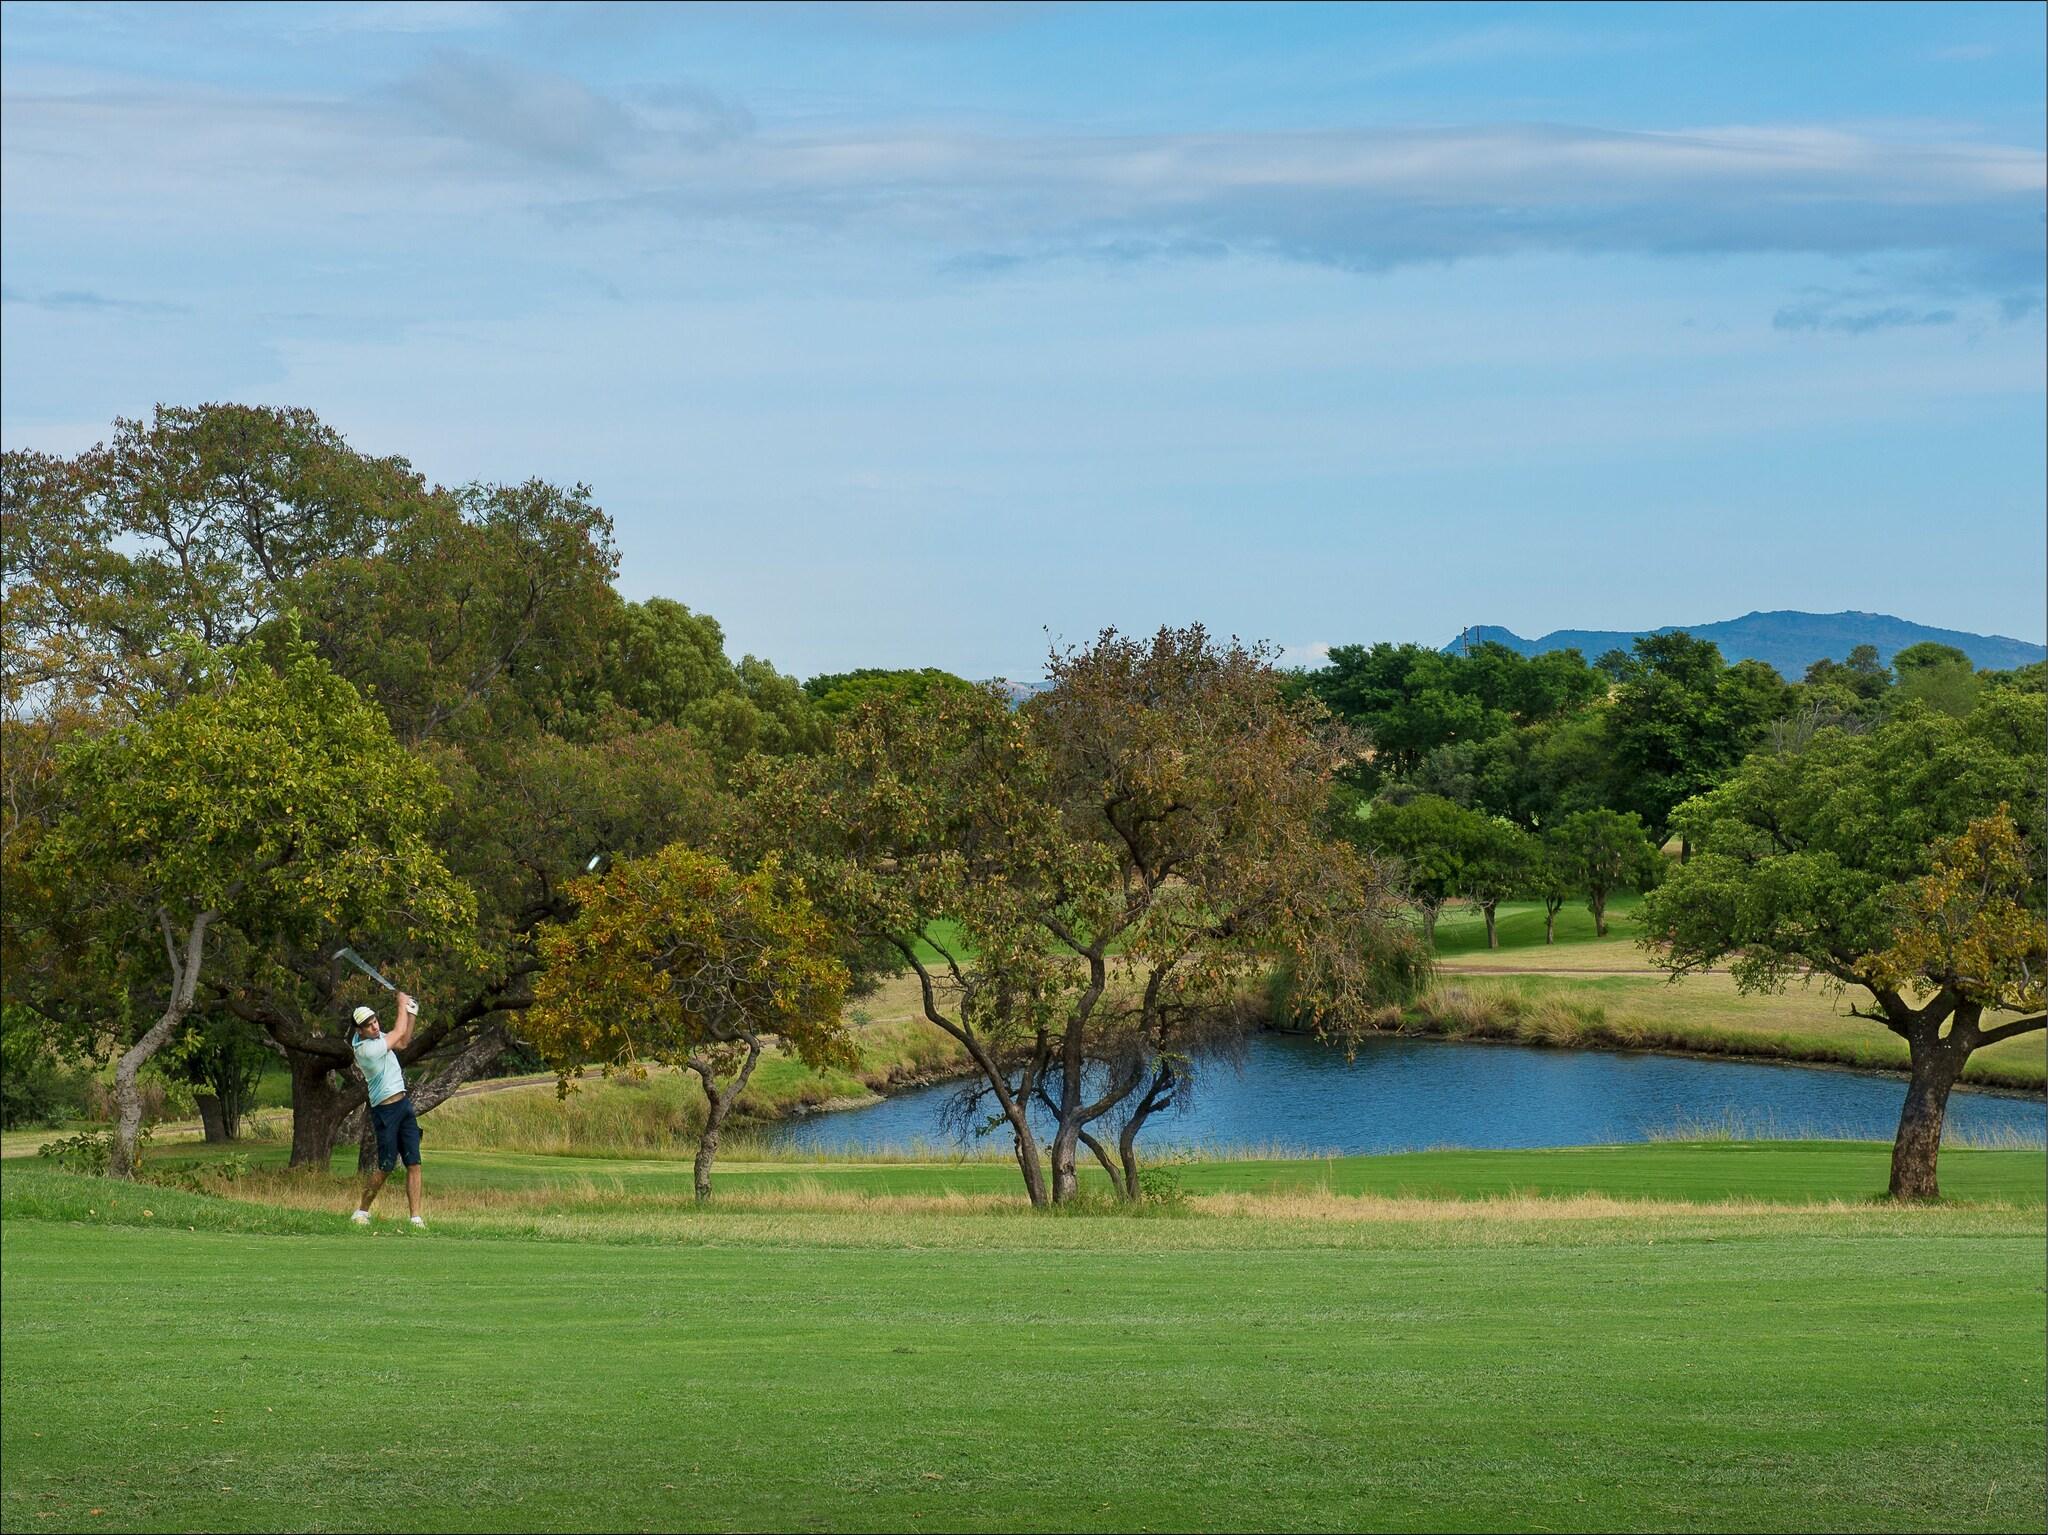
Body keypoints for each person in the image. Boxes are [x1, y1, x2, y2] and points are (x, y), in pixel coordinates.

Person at [346, 992, 425, 1228]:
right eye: (368, 1026)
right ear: (359, 1030)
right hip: (385, 1112)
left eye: (375, 1022)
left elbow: (402, 1041)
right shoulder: (365, 1050)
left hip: (403, 1106)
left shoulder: (377, 1038)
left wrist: (411, 1013)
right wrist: (401, 1004)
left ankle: (415, 1218)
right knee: (386, 1166)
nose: (374, 1027)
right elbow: (397, 1034)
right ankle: (361, 1211)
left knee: (414, 1162)